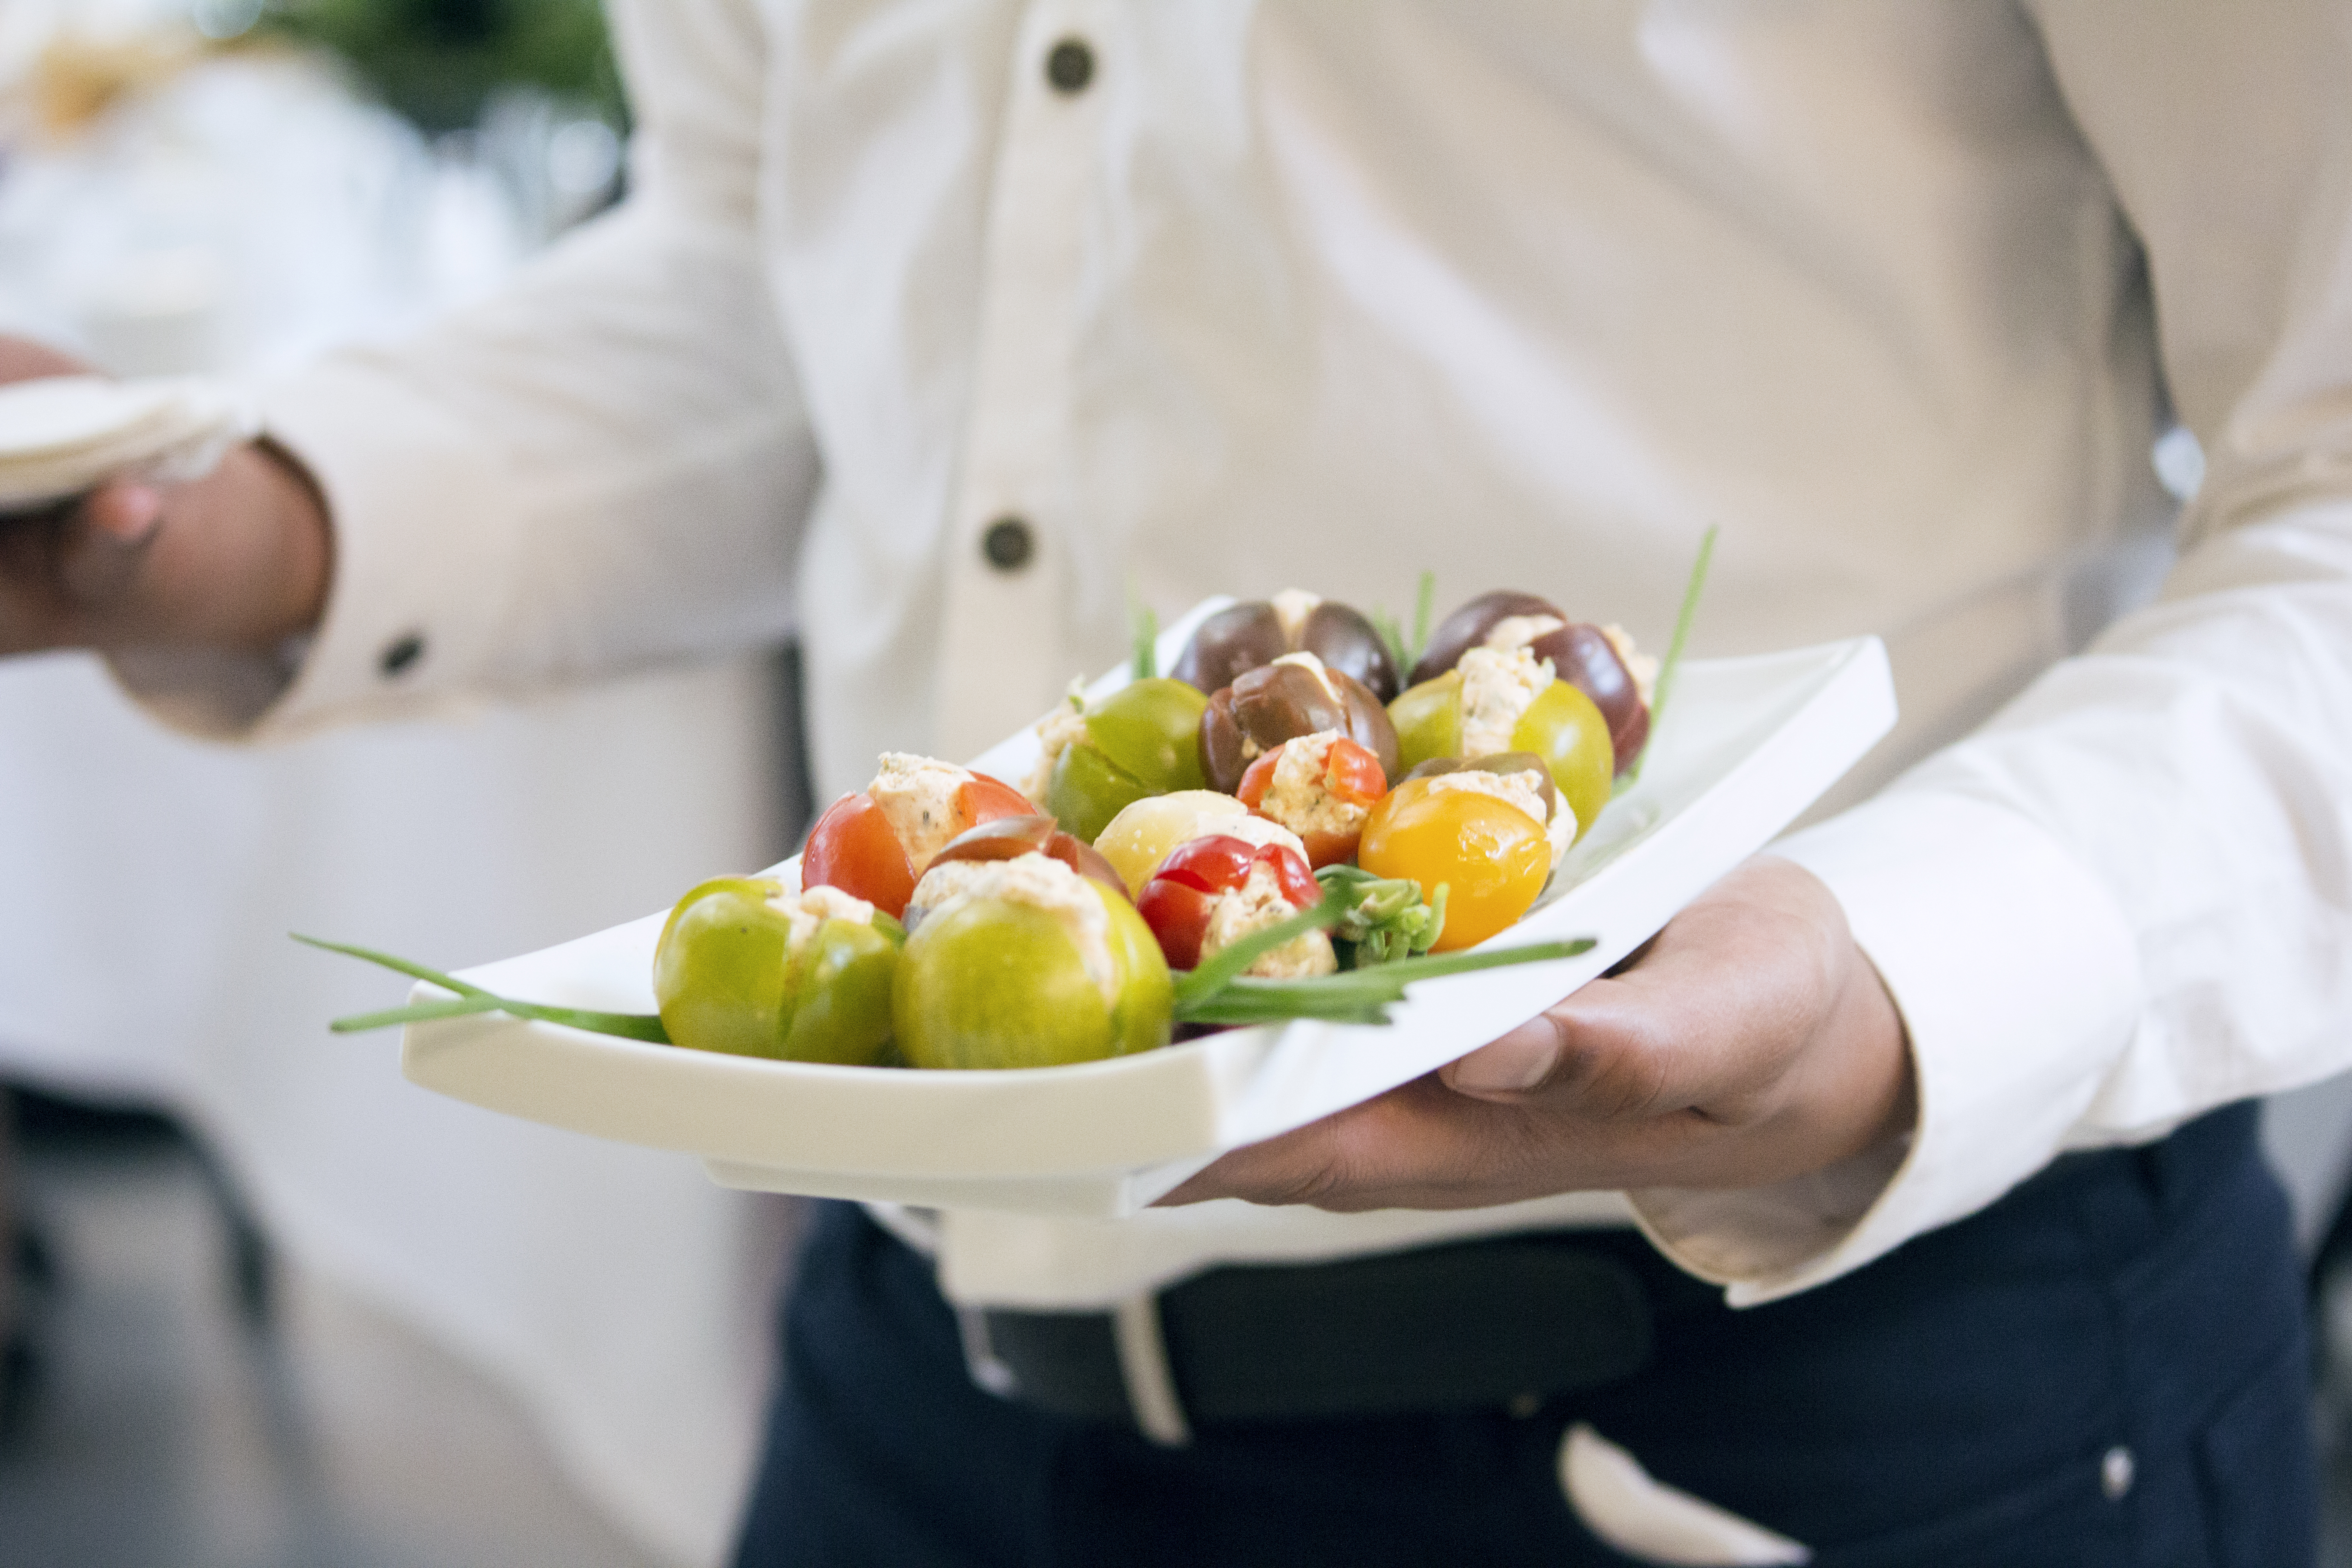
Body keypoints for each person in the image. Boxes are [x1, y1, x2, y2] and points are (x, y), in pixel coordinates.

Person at [5, 3, 2348, 1562]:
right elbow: (768, 270)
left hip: (1828, 1400)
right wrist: (224, 520)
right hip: (929, 1399)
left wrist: (1899, 976)